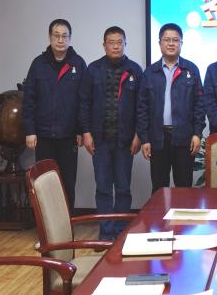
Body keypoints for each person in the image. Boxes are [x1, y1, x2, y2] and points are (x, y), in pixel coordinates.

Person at [79, 26, 143, 239]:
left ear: (125, 44)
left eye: (119, 42)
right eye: (111, 42)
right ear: (104, 45)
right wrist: (86, 132)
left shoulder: (135, 70)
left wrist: (139, 134)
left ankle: (121, 232)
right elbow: (84, 103)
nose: (116, 46)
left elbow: (141, 107)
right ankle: (106, 234)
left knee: (123, 188)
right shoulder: (93, 70)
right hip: (100, 140)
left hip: (125, 141)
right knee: (103, 188)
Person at [22, 19, 86, 212]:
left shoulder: (78, 64)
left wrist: (81, 130)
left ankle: (67, 225)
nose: (60, 40)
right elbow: (29, 99)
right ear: (49, 37)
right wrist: (30, 130)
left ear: (70, 38)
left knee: (67, 183)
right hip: (43, 136)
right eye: (56, 36)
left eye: (64, 36)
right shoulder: (38, 64)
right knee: (44, 183)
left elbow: (84, 101)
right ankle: (47, 228)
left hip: (69, 135)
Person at [137, 23, 205, 192]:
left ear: (181, 43)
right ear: (159, 43)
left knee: (184, 188)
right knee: (159, 188)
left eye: (175, 40)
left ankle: (183, 212)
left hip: (184, 137)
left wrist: (197, 134)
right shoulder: (150, 72)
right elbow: (142, 108)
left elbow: (199, 105)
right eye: (167, 40)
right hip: (158, 138)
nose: (171, 43)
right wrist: (145, 139)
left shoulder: (191, 70)